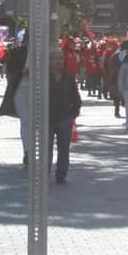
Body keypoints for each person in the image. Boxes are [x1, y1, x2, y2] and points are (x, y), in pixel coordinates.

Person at [47, 48, 82, 184]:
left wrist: (73, 113)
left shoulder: (68, 77)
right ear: (50, 61)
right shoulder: (44, 77)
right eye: (55, 59)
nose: (58, 61)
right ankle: (45, 173)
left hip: (65, 118)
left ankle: (61, 174)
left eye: (60, 58)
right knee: (46, 149)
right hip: (47, 119)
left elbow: (76, 98)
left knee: (64, 148)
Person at [0, 34, 29, 166]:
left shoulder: (44, 52)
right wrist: (22, 72)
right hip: (21, 89)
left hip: (40, 91)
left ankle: (36, 149)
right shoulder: (18, 52)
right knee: (26, 121)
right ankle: (27, 151)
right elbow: (10, 70)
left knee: (38, 123)